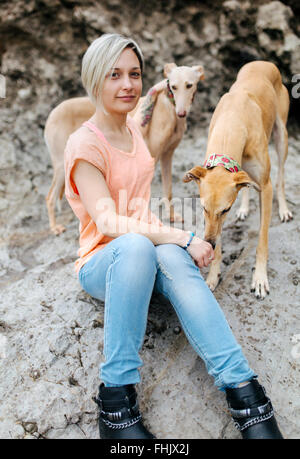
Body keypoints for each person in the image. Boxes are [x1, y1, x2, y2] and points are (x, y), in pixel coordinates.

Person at [64, 33, 283, 439]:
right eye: (114, 75)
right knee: (137, 246)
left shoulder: (133, 128)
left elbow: (157, 102)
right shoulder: (83, 145)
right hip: (104, 261)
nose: (127, 84)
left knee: (168, 258)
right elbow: (110, 223)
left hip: (147, 249)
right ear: (94, 79)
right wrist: (183, 236)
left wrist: (175, 244)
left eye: (134, 73)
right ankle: (116, 408)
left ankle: (245, 395)